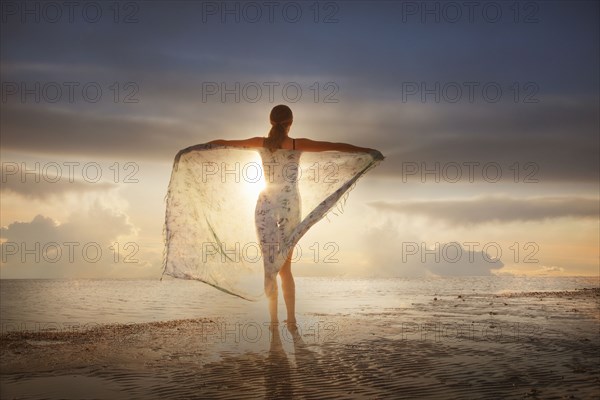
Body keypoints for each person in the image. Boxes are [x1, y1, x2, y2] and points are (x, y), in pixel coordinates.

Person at [206, 105, 383, 326]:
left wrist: (195, 148)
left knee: (269, 266)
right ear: (290, 122)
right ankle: (290, 320)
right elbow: (333, 146)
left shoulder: (261, 143)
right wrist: (367, 150)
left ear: (271, 122)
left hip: (265, 205)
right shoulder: (295, 144)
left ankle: (273, 322)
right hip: (289, 205)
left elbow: (226, 142)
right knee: (286, 268)